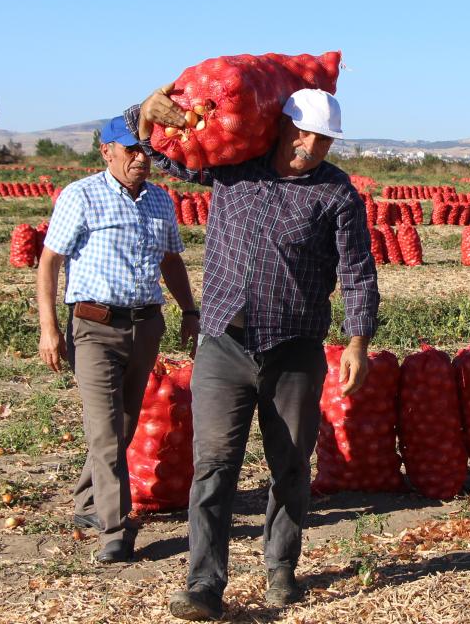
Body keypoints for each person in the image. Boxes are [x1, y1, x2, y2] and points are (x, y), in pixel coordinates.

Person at [122, 85, 379, 620]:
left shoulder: (337, 195)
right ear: (283, 124)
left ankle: (280, 566)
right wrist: (144, 116)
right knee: (213, 465)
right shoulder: (235, 168)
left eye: (324, 136)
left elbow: (357, 272)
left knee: (290, 463)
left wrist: (358, 341)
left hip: (295, 349)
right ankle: (204, 583)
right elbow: (162, 157)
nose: (313, 143)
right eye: (306, 129)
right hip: (223, 343)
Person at [35, 115, 199, 564]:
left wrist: (188, 309)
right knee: (105, 430)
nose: (140, 158)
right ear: (105, 150)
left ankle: (88, 502)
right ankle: (115, 527)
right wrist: (50, 329)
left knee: (124, 424)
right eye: (130, 149)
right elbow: (49, 262)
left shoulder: (160, 202)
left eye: (146, 149)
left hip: (145, 325)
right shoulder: (81, 196)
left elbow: (171, 260)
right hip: (93, 327)